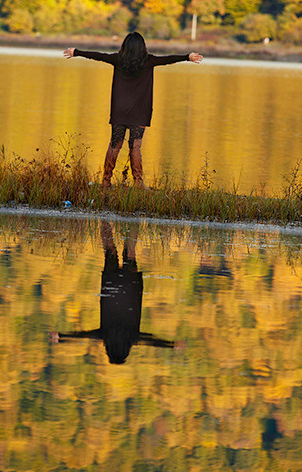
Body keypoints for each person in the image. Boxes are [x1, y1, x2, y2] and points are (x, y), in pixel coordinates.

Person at [64, 32, 202, 187]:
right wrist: (187, 57)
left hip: (119, 110)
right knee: (135, 145)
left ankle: (106, 180)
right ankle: (138, 182)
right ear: (142, 47)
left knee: (115, 144)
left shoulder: (118, 59)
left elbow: (98, 55)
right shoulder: (149, 61)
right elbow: (168, 59)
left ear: (125, 46)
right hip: (139, 111)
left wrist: (76, 52)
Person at [50, 220, 180, 364]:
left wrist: (172, 344)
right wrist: (61, 337)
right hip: (110, 286)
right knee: (109, 251)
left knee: (130, 253)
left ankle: (134, 218)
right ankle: (104, 218)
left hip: (131, 288)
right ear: (109, 350)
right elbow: (82, 335)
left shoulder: (133, 338)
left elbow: (152, 341)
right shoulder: (104, 335)